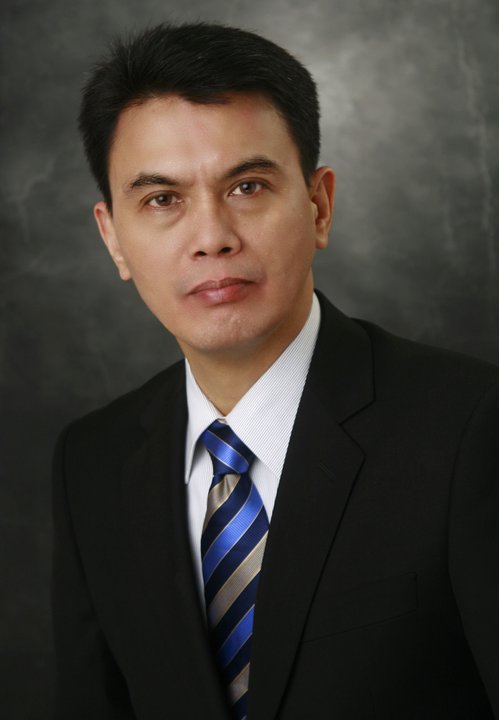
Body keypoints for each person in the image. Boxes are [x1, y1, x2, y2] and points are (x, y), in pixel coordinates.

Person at [52, 21, 499, 720]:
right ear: (113, 237)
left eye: (248, 186)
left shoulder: (471, 427)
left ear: (318, 205)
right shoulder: (92, 462)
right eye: (162, 199)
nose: (211, 238)